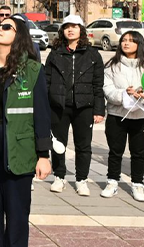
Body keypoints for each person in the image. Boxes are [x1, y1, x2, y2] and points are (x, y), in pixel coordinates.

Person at [0, 16, 52, 247]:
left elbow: (42, 114)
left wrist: (43, 155)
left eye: (7, 27)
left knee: (16, 210)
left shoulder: (32, 70)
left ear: (19, 36)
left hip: (19, 144)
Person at [43, 14, 104, 196]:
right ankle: (59, 176)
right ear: (63, 30)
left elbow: (98, 84)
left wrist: (99, 109)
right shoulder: (55, 53)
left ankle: (81, 179)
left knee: (83, 145)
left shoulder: (93, 54)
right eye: (67, 26)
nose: (71, 29)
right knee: (58, 144)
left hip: (84, 106)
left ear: (81, 30)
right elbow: (46, 81)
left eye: (75, 26)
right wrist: (46, 106)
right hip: (59, 105)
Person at [101, 30, 144, 202]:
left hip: (141, 116)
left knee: (138, 153)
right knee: (115, 151)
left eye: (131, 41)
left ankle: (137, 184)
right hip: (116, 115)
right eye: (124, 40)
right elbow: (107, 89)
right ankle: (112, 182)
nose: (126, 43)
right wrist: (124, 94)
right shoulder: (112, 65)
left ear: (139, 44)